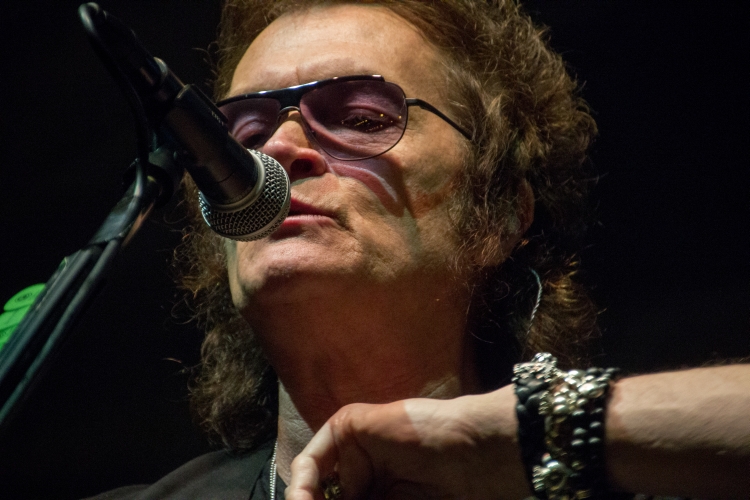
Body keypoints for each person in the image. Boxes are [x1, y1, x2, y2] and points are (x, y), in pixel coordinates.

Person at [89, 1, 749, 499]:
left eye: (362, 118)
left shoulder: (632, 477)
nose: (281, 150)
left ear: (498, 212)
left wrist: (530, 435)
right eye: (243, 137)